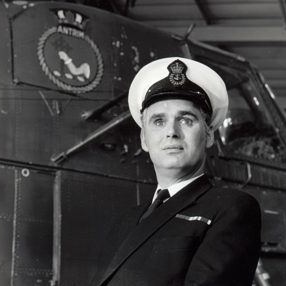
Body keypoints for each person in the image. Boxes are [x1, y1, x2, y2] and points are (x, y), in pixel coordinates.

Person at [97, 57, 261, 286]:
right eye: (158, 121)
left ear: (210, 134)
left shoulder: (231, 209)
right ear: (144, 139)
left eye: (186, 119)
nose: (171, 132)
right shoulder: (126, 220)